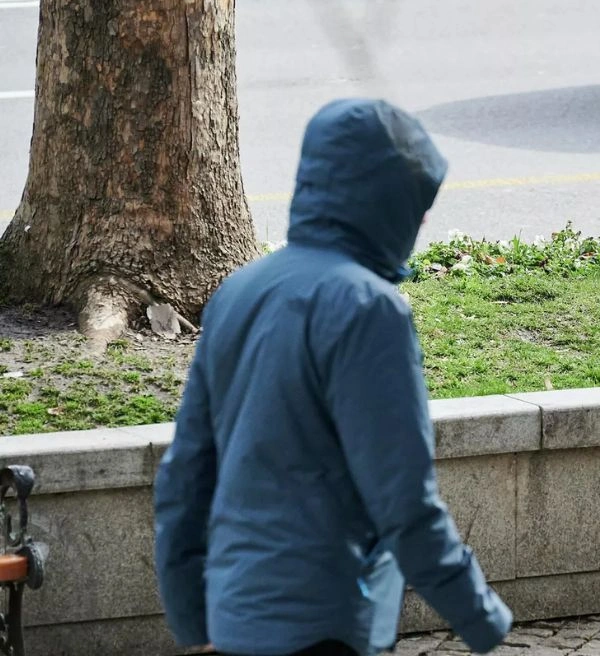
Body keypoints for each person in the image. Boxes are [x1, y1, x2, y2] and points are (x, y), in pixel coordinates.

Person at [154, 99, 513, 656]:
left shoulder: (238, 292)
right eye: (418, 201)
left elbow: (185, 478)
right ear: (387, 200)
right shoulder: (369, 309)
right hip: (327, 622)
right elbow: (404, 503)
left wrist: (192, 620)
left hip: (234, 621)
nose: (421, 220)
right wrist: (484, 618)